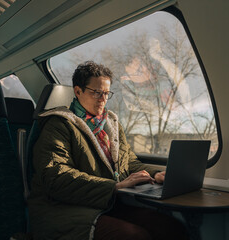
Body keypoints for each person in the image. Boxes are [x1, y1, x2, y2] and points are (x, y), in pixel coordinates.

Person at [28, 61, 189, 240]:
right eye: (96, 92)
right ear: (78, 91)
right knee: (134, 236)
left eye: (106, 93)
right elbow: (56, 177)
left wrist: (157, 173)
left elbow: (129, 163)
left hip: (105, 203)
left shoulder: (110, 125)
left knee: (171, 228)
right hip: (62, 208)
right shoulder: (59, 125)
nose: (103, 99)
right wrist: (114, 186)